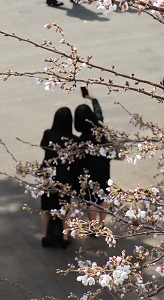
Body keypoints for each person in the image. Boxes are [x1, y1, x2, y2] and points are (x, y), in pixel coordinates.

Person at [40, 107, 77, 248]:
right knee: (65, 209)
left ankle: (44, 236)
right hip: (64, 176)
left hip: (48, 175)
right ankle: (65, 236)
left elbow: (42, 146)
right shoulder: (72, 139)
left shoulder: (48, 134)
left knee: (46, 209)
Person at [74, 92, 111, 228]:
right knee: (105, 193)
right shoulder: (99, 128)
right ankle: (102, 224)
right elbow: (98, 112)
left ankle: (93, 226)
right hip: (103, 166)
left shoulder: (80, 139)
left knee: (91, 199)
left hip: (87, 170)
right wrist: (93, 99)